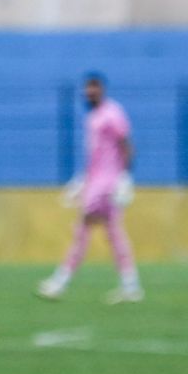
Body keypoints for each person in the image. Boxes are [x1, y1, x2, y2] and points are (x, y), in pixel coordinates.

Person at [37, 73, 143, 304]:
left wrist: (125, 177)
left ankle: (60, 282)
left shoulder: (112, 113)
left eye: (93, 88)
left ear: (102, 89)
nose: (89, 92)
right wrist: (82, 180)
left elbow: (126, 145)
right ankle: (130, 284)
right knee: (113, 233)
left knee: (83, 229)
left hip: (107, 183)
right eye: (87, 88)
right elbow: (96, 156)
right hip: (97, 182)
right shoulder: (93, 117)